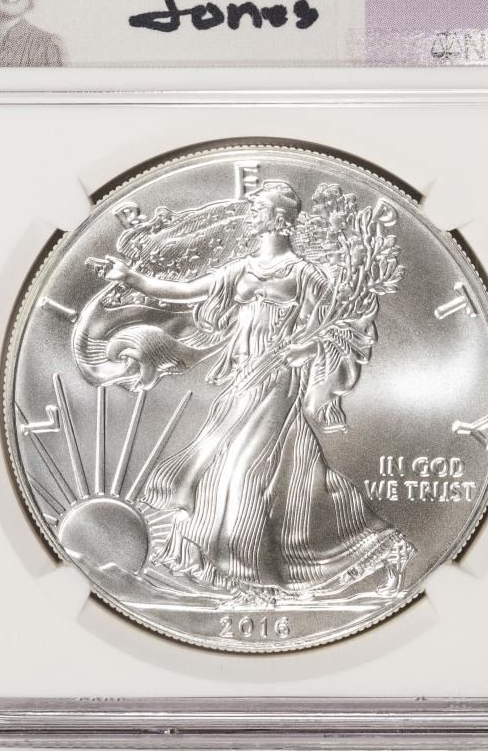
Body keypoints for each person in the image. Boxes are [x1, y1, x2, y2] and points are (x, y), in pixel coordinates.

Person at [93, 180, 413, 603]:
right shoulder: (240, 269)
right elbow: (186, 292)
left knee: (242, 470)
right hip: (243, 378)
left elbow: (336, 330)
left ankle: (249, 577)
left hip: (278, 380)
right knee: (261, 472)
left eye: (258, 210)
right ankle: (380, 547)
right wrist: (132, 278)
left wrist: (304, 348)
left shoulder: (305, 275)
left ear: (278, 219)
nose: (252, 217)